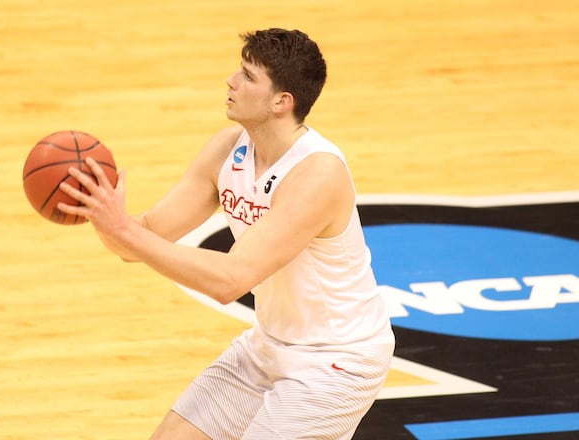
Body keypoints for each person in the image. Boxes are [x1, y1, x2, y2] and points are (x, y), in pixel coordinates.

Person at [58, 28, 395, 439]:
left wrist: (125, 230)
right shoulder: (228, 149)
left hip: (338, 360)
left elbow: (229, 280)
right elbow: (145, 237)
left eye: (249, 76)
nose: (232, 81)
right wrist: (101, 213)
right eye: (240, 70)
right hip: (268, 345)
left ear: (280, 102)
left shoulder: (317, 174)